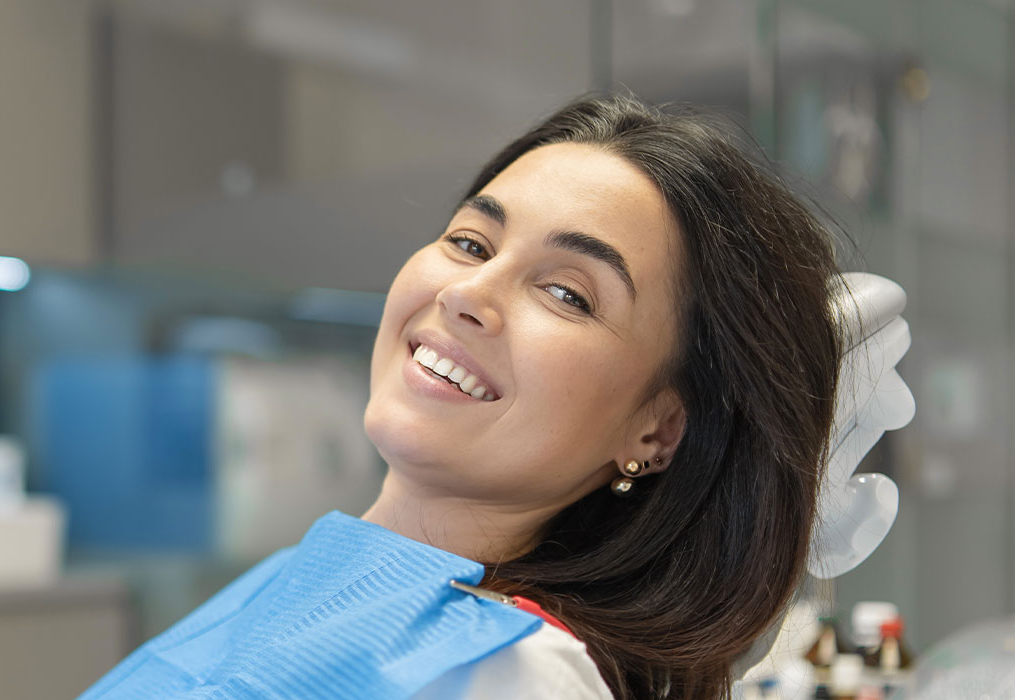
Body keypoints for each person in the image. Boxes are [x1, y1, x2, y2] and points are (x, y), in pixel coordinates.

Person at [77, 93, 844, 700]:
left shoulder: (509, 673)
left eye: (568, 294)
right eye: (471, 242)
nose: (470, 292)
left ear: (657, 429)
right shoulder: (298, 579)